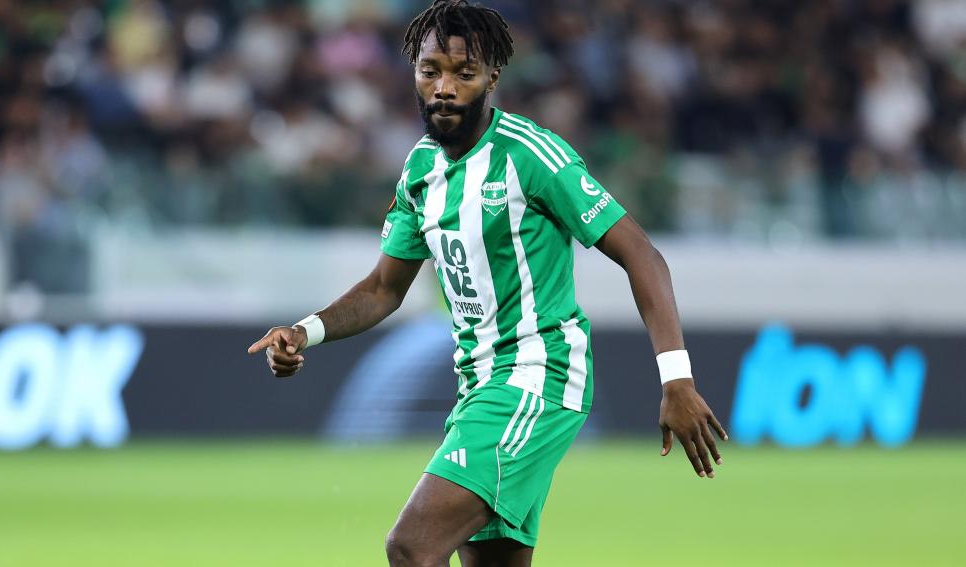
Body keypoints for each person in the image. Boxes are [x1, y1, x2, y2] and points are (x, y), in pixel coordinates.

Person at [247, 1, 727, 565]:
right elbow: (383, 288)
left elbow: (642, 255)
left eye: (464, 73)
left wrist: (676, 379)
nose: (444, 88)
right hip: (478, 385)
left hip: (537, 377)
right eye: (430, 71)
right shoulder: (420, 170)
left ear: (492, 79)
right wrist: (305, 331)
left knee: (410, 547)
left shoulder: (531, 155)